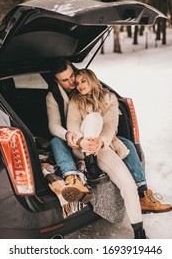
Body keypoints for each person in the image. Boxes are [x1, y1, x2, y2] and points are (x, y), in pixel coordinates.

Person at [46, 58, 172, 214]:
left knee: (128, 145)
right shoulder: (53, 97)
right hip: (74, 138)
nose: (72, 82)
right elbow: (53, 125)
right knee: (56, 142)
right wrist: (68, 135)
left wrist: (105, 136)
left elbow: (108, 118)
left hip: (97, 133)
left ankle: (143, 194)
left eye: (72, 76)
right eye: (65, 80)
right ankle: (73, 180)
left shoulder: (86, 85)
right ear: (56, 80)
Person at [66, 68, 149, 238]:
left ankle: (139, 233)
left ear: (92, 79)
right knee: (95, 117)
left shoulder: (110, 98)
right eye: (77, 83)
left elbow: (111, 125)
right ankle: (90, 162)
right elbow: (72, 126)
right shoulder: (75, 101)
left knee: (129, 185)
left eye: (83, 81)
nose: (80, 86)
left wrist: (101, 141)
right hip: (81, 148)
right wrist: (84, 142)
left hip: (102, 147)